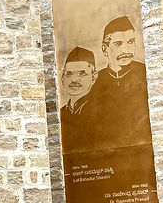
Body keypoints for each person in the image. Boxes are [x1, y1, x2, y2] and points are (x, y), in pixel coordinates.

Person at [88, 15, 149, 149]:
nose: (126, 50)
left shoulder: (146, 73)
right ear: (105, 49)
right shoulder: (96, 81)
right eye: (118, 44)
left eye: (131, 42)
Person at [59, 46, 98, 152]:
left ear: (94, 77)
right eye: (69, 74)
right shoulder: (60, 114)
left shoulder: (102, 110)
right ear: (62, 79)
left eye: (82, 73)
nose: (74, 79)